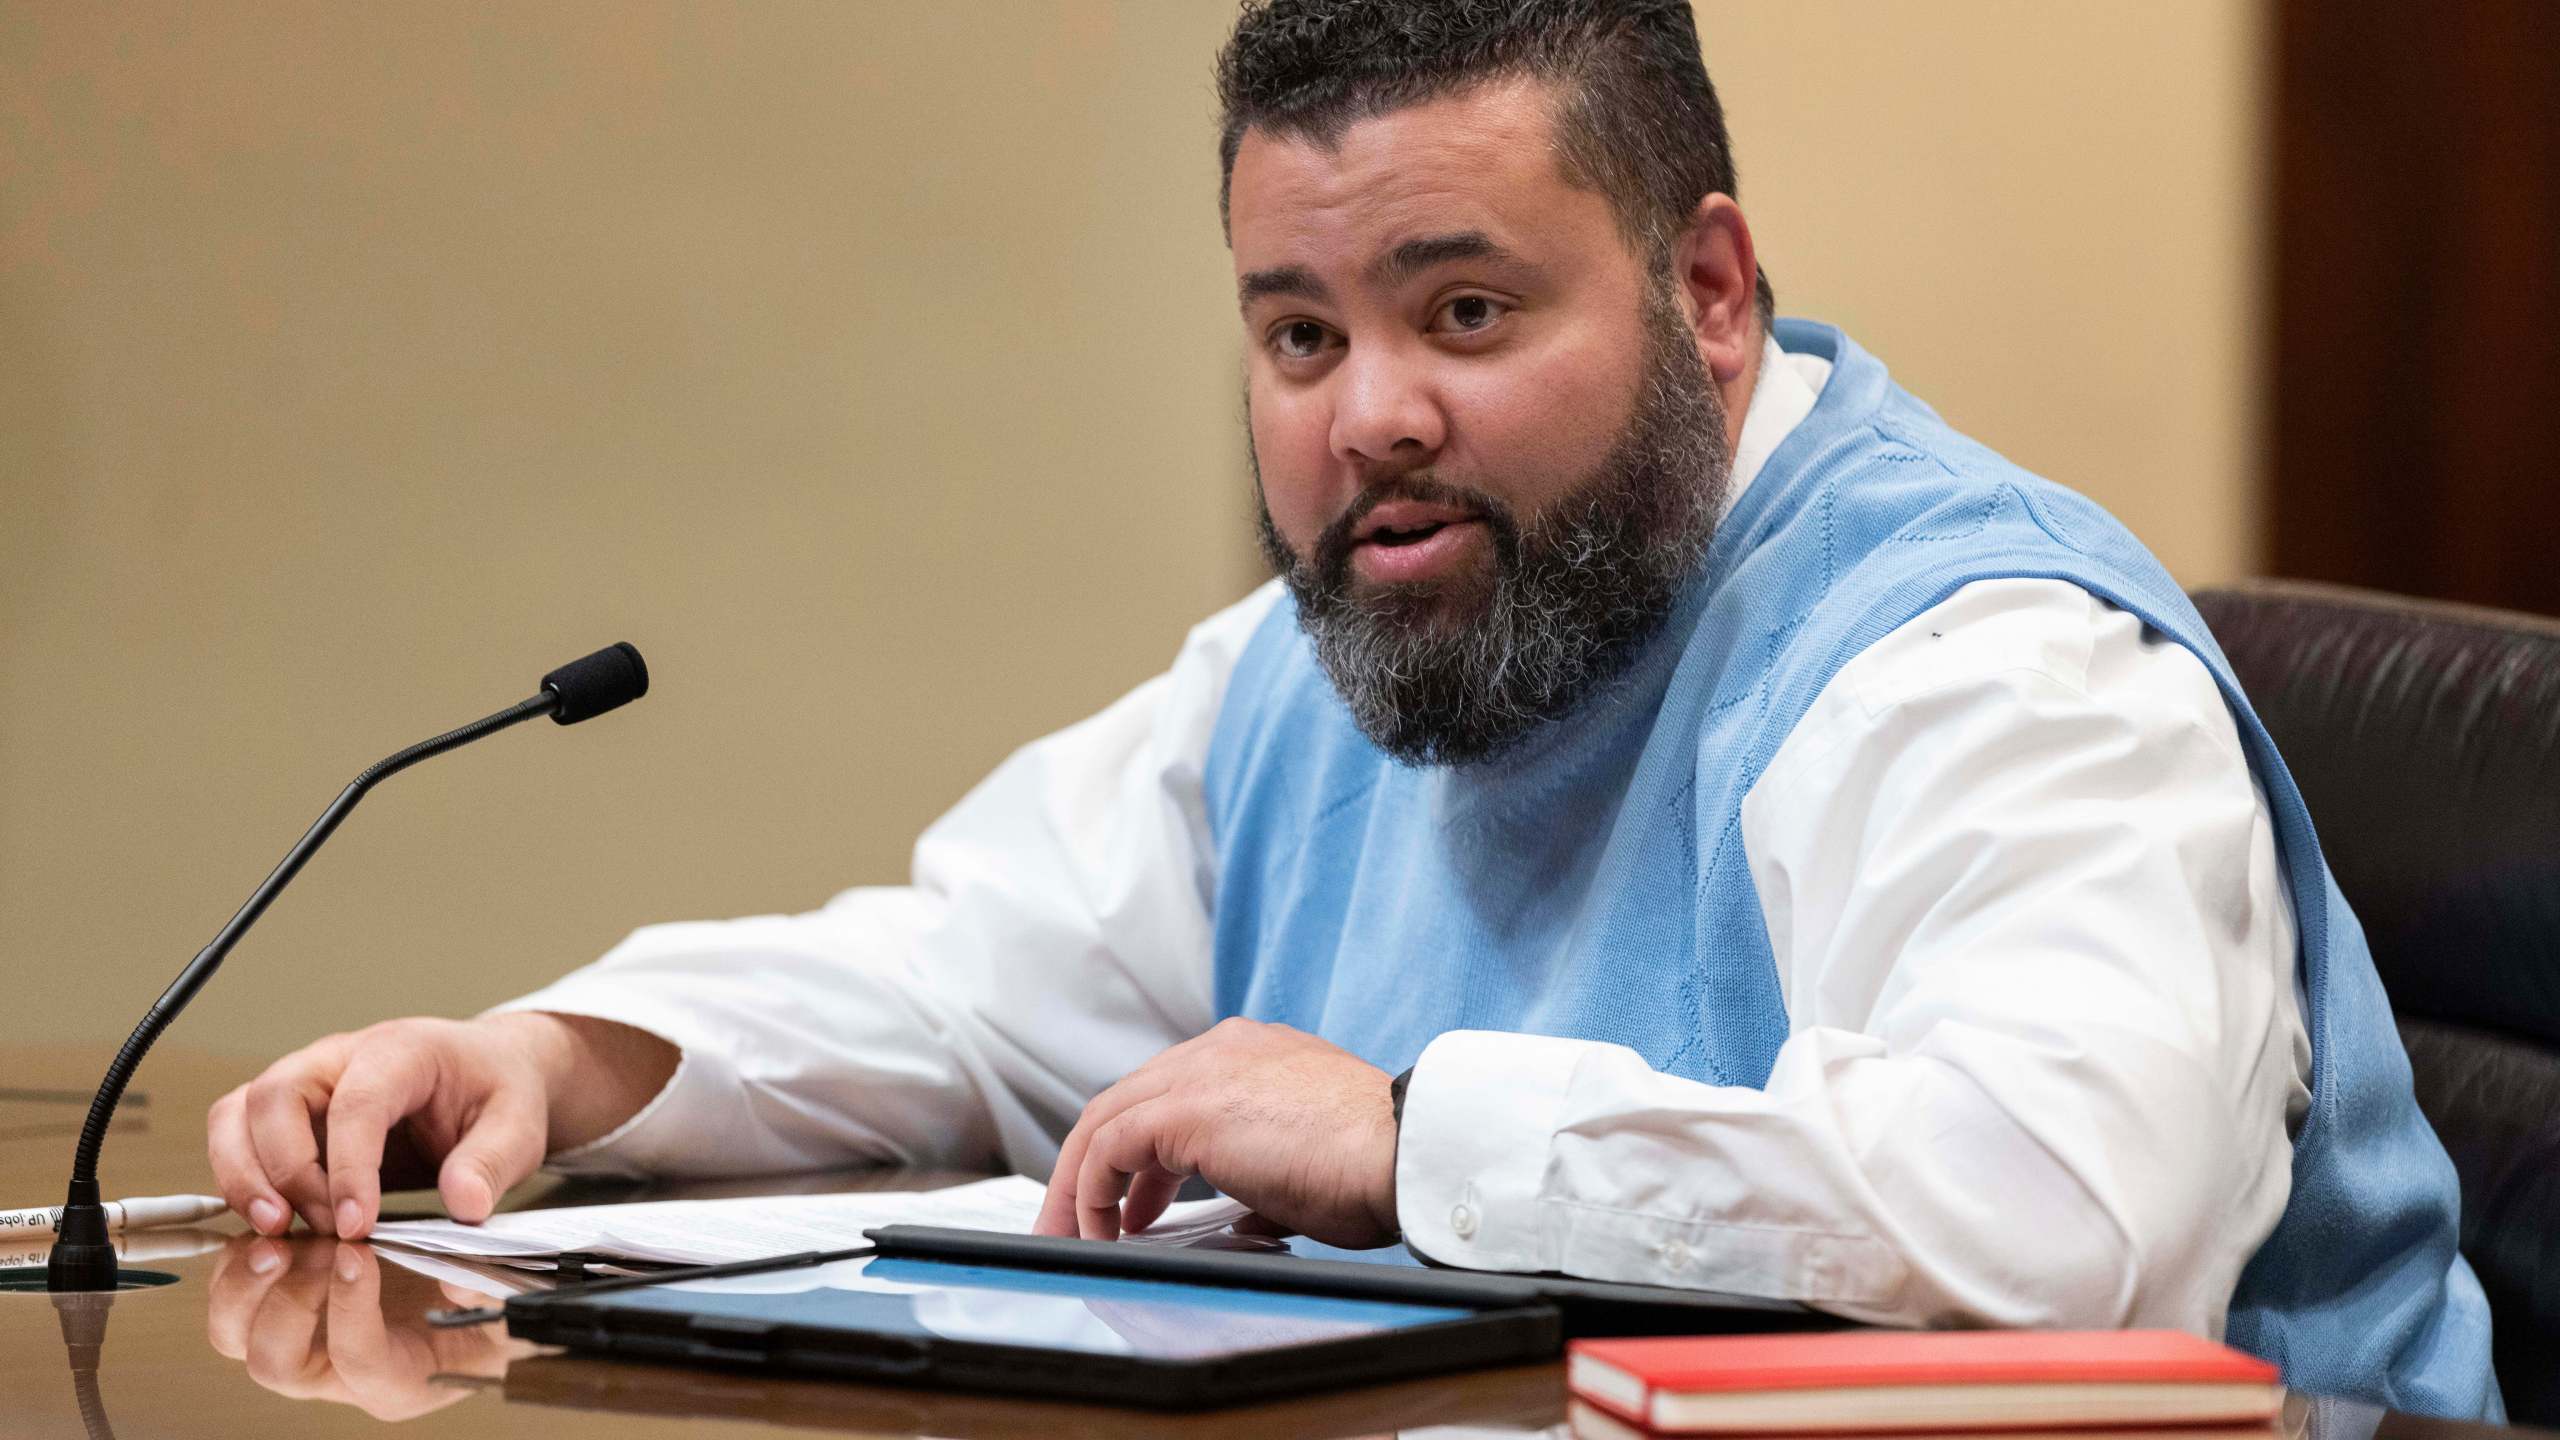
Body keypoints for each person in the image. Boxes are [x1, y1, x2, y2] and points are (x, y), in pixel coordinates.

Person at [204, 0, 2498, 1417]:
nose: (1366, 417)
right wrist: (546, 1060)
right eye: (1297, 336)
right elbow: (970, 969)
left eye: (1464, 310)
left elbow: (2051, 1230)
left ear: (1709, 289)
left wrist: (1414, 1139)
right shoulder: (1339, 647)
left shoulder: (1970, 658)